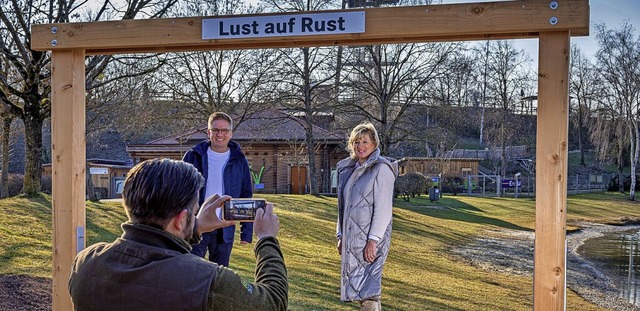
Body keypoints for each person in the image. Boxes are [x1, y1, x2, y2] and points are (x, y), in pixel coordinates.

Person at [68, 158, 288, 311]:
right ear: (181, 219)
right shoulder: (209, 281)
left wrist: (196, 227)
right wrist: (267, 239)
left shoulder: (85, 263)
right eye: (193, 213)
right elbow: (273, 303)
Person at [335, 122, 398, 311]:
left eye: (364, 142)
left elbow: (384, 210)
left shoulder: (381, 169)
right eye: (356, 142)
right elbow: (343, 207)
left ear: (374, 144)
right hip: (353, 240)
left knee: (369, 290)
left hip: (370, 241)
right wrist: (340, 236)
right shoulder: (350, 170)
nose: (360, 146)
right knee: (363, 291)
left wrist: (373, 240)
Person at [183, 111, 254, 267]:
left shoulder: (239, 160)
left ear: (231, 133)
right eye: (215, 130)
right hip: (196, 225)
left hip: (225, 227)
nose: (220, 134)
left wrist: (246, 231)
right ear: (209, 132)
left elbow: (245, 194)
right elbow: (179, 191)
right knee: (192, 270)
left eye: (224, 130)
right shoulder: (193, 156)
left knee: (219, 275)